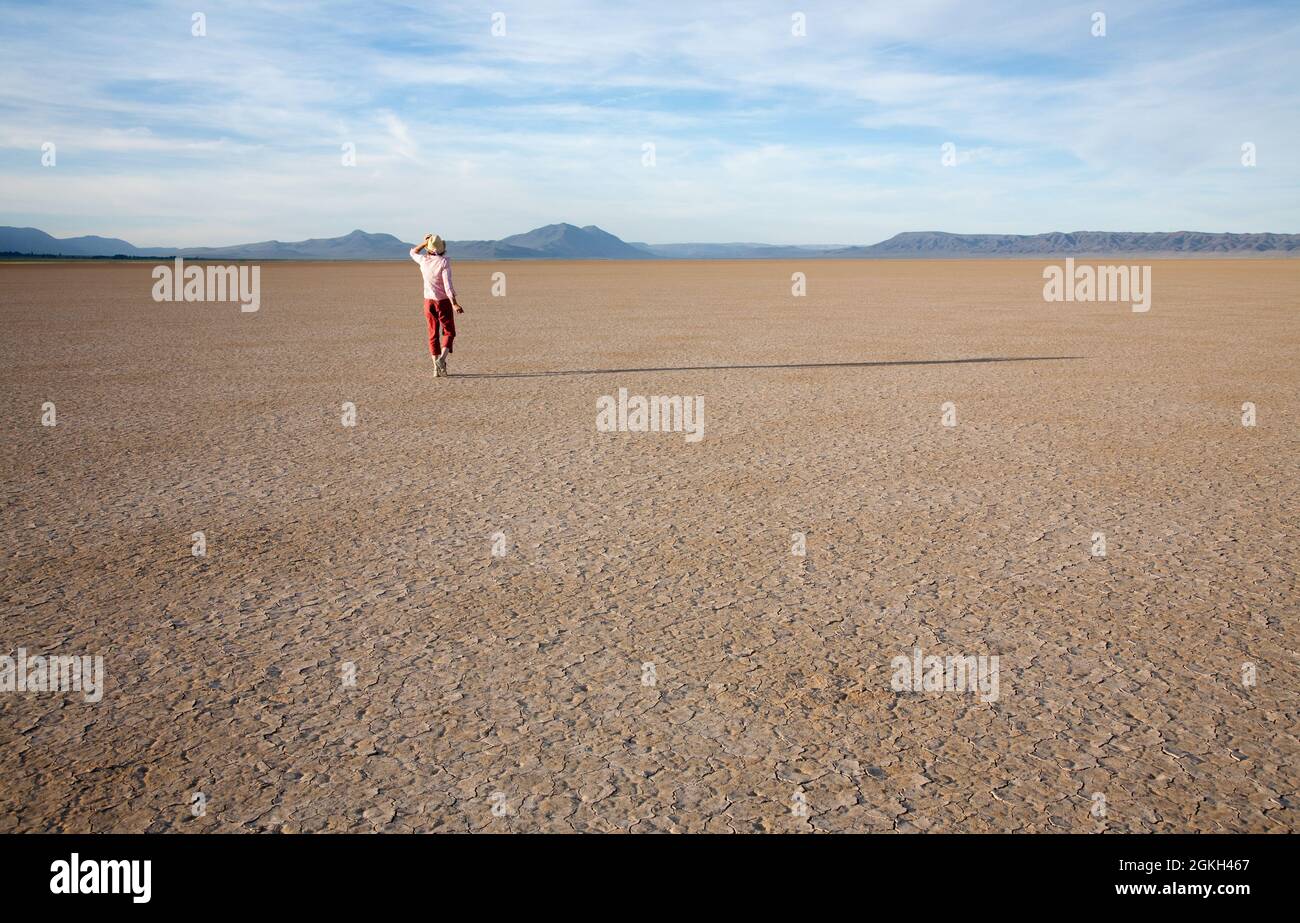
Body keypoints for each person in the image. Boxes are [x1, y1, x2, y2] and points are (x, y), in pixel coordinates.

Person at [410, 233, 464, 377]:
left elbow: (412, 252)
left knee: (432, 334)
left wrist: (424, 242)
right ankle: (441, 360)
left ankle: (436, 369)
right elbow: (448, 285)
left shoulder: (423, 260)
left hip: (428, 302)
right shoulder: (443, 262)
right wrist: (455, 303)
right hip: (443, 302)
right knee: (449, 332)